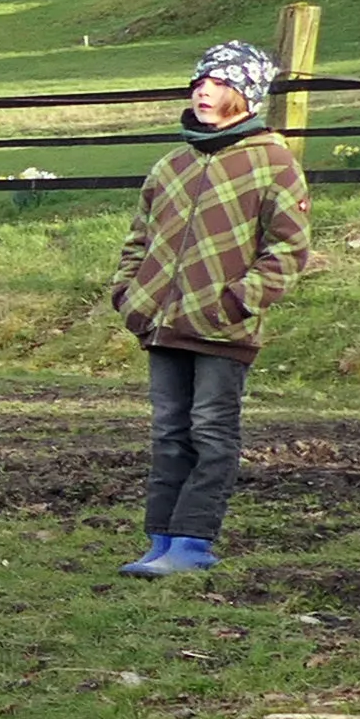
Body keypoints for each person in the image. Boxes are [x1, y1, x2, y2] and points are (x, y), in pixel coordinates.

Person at [107, 39, 309, 575]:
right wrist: (130, 295)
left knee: (211, 430)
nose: (204, 90)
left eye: (219, 83)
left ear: (244, 94)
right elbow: (138, 238)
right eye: (200, 81)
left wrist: (240, 300)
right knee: (168, 431)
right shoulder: (172, 165)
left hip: (224, 328)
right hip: (161, 323)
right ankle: (160, 538)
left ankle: (193, 543)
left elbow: (289, 248)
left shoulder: (274, 163)